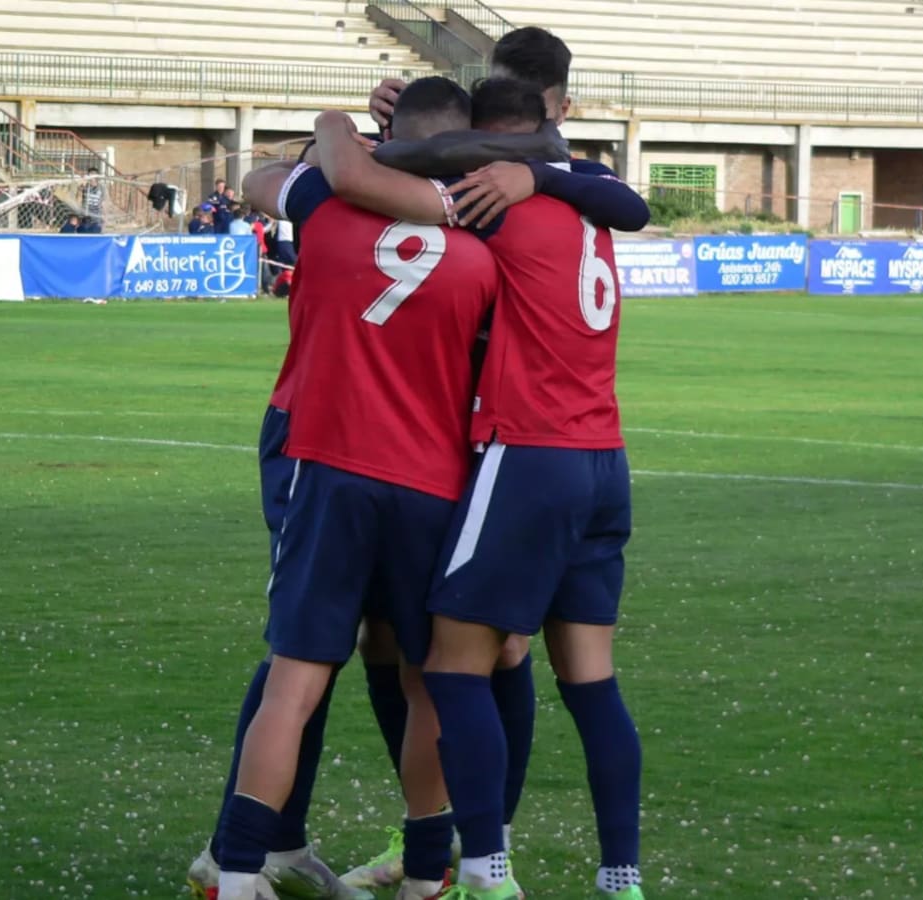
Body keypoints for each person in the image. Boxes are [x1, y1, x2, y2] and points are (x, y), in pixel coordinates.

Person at [317, 77, 648, 900]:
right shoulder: (587, 201)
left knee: (453, 666)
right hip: (603, 457)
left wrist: (357, 134)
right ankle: (622, 879)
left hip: (526, 453)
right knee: (591, 683)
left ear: (485, 146)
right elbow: (630, 203)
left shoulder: (491, 203)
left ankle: (480, 871)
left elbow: (362, 181)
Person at [210, 77, 500, 900]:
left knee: (296, 676)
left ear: (393, 139)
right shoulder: (487, 251)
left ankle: (237, 871)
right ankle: (425, 871)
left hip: (327, 464)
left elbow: (259, 179)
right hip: (433, 481)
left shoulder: (326, 209)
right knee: (426, 681)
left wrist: (338, 138)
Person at [81, 168, 104, 233]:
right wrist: (84, 180)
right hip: (86, 213)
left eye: (94, 174)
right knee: (85, 232)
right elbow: (81, 189)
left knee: (96, 232)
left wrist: (104, 215)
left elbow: (103, 201)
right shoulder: (86, 185)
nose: (92, 176)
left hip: (97, 214)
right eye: (90, 174)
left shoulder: (101, 187)